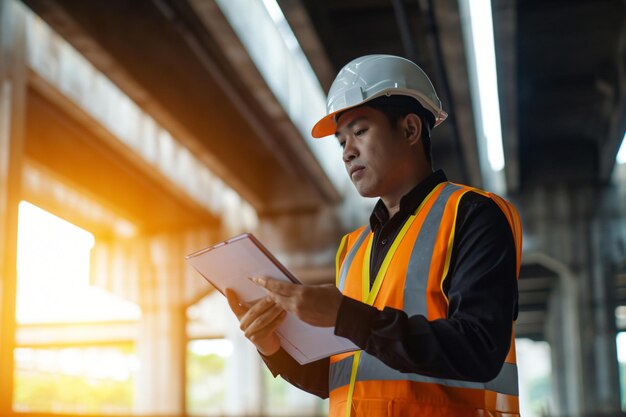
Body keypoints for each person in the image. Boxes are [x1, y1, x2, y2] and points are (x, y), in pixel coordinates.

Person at [225, 54, 522, 416]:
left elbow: (478, 349)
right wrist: (272, 346)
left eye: (360, 132)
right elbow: (343, 378)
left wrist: (344, 314)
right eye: (341, 142)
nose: (348, 152)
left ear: (411, 130)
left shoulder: (472, 214)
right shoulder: (353, 248)